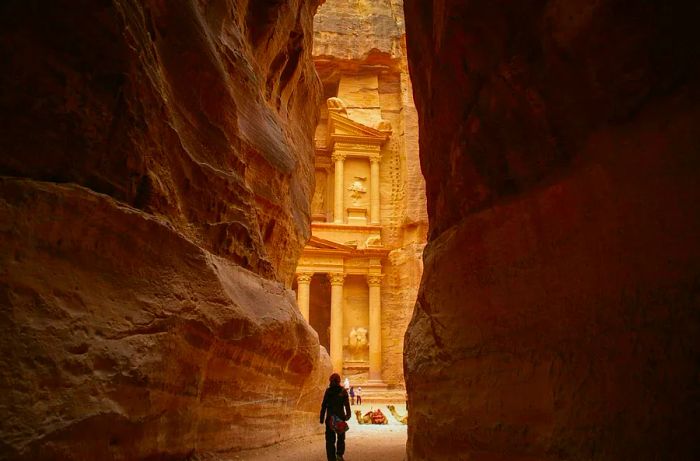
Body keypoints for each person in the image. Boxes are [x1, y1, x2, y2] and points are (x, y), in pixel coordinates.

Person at [320, 373, 351, 461]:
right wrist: (348, 415)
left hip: (330, 419)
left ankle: (331, 458)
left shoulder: (328, 391)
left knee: (330, 440)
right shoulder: (343, 391)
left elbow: (324, 405)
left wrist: (322, 418)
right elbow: (347, 405)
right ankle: (339, 455)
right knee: (341, 439)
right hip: (340, 418)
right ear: (339, 381)